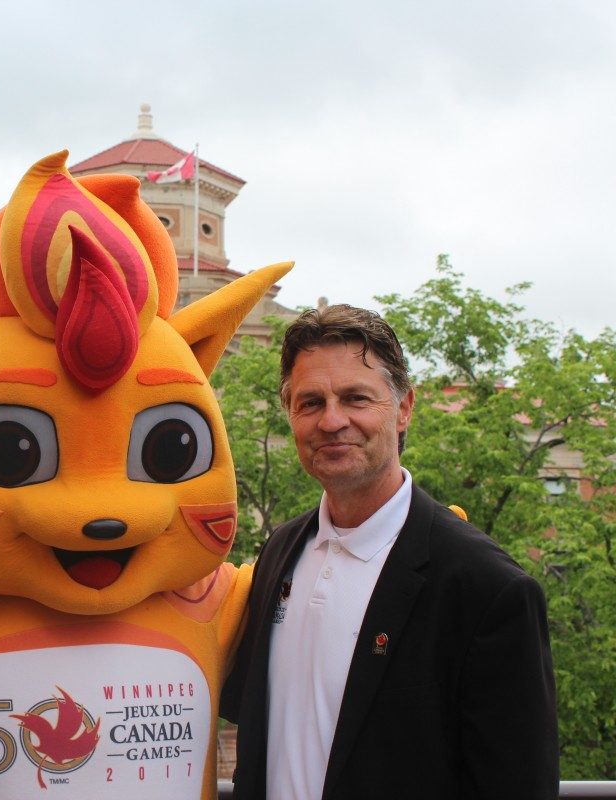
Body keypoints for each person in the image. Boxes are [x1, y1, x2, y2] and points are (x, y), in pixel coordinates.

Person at [220, 304, 557, 800]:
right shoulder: (279, 554)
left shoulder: (487, 589)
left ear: (403, 409)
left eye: (356, 398)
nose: (332, 420)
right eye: (310, 402)